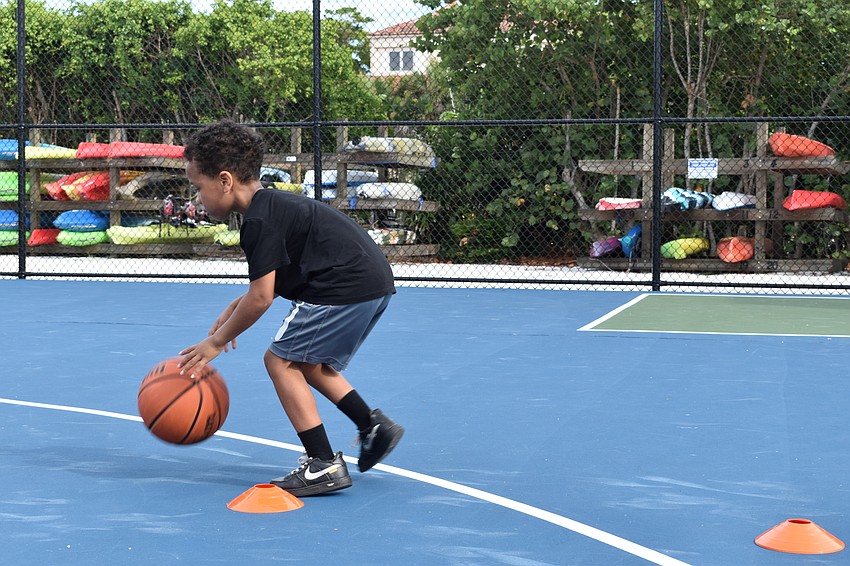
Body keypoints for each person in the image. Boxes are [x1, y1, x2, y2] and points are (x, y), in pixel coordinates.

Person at [178, 120, 403, 496]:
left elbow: (262, 297)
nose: (198, 198)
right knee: (309, 363)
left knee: (278, 360)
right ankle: (372, 425)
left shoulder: (258, 221)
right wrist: (236, 306)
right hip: (371, 282)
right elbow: (276, 277)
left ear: (225, 180)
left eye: (198, 188)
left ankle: (322, 464)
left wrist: (216, 341)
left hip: (344, 285)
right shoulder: (273, 205)